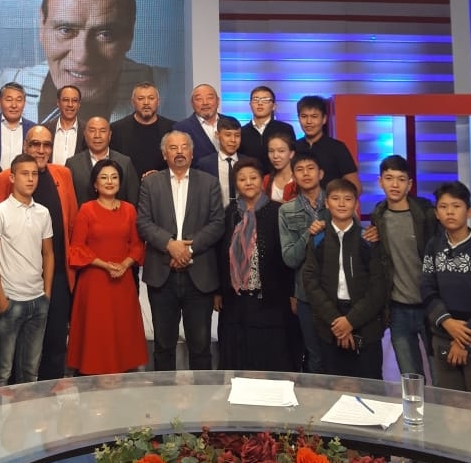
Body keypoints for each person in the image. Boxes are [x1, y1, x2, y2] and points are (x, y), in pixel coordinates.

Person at [0, 0, 169, 124]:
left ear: (129, 34)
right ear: (42, 26)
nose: (82, 56)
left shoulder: (170, 89)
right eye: (65, 30)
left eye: (105, 34)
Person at [0, 125, 78, 380]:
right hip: (14, 280)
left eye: (46, 145)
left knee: (54, 341)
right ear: (25, 146)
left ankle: (50, 394)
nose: (41, 150)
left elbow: (71, 222)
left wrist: (49, 290)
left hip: (56, 275)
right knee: (12, 353)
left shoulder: (63, 174)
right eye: (35, 144)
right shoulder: (4, 178)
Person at [136, 130, 224, 370]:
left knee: (201, 346)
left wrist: (188, 249)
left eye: (184, 147)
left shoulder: (209, 182)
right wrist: (170, 245)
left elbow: (217, 223)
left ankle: (201, 395)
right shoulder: (150, 183)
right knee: (163, 346)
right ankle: (164, 395)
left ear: (192, 153)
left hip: (199, 276)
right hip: (162, 276)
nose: (179, 152)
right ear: (164, 154)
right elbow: (143, 222)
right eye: (173, 148)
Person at [66, 158, 146, 375]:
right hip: (94, 281)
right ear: (95, 184)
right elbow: (77, 247)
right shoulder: (86, 210)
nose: (109, 182)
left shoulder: (129, 210)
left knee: (122, 328)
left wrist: (124, 265)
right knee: (97, 330)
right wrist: (105, 265)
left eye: (114, 177)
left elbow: (137, 245)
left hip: (123, 279)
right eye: (104, 177)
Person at [421, 181, 471, 396]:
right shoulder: (433, 246)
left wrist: (465, 341)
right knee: (450, 408)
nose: (449, 212)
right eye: (443, 207)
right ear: (437, 214)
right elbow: (427, 289)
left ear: (469, 212)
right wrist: (447, 322)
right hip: (443, 337)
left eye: (456, 206)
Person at [215, 156, 295, 372]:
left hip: (270, 300)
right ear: (236, 184)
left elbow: (287, 256)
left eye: (253, 178)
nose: (248, 182)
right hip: (235, 300)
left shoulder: (278, 211)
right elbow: (220, 253)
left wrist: (292, 292)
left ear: (262, 180)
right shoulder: (230, 212)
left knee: (269, 359)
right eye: (242, 179)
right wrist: (218, 291)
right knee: (237, 357)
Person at [302, 178, 386, 379]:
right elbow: (311, 283)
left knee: (369, 386)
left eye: (347, 199)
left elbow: (378, 287)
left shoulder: (368, 239)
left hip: (365, 323)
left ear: (356, 204)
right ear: (326, 203)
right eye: (335, 198)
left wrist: (350, 321)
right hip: (330, 322)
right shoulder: (318, 238)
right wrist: (337, 322)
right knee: (334, 385)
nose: (341, 204)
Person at [365, 154, 438, 378]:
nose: (395, 185)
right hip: (397, 310)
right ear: (380, 182)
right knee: (410, 378)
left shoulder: (426, 214)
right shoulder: (378, 216)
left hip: (431, 306)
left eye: (401, 179)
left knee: (441, 377)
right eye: (389, 178)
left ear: (410, 184)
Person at [0, 154, 54, 386]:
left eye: (34, 174)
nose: (31, 179)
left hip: (38, 300)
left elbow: (48, 253)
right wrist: (0, 298)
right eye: (25, 174)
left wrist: (47, 293)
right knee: (1, 372)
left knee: (30, 372)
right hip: (10, 300)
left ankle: (27, 411)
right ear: (12, 177)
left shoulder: (43, 212)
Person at [279, 153, 328, 372]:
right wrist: (309, 233)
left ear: (321, 173)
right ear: (293, 176)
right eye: (299, 169)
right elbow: (290, 258)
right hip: (306, 294)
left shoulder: (338, 202)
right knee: (314, 355)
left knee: (338, 354)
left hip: (338, 293)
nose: (306, 173)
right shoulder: (286, 210)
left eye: (311, 168)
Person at [65, 116, 139, 207]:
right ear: (85, 134)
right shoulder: (73, 164)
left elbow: (133, 199)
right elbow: (67, 202)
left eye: (103, 131)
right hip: (83, 215)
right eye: (92, 131)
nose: (97, 135)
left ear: (110, 135)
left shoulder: (125, 162)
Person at [293, 95, 361, 192]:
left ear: (324, 119)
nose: (309, 122)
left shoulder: (337, 148)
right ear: (298, 118)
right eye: (304, 116)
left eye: (314, 117)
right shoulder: (293, 147)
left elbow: (355, 187)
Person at [109, 83, 175, 178]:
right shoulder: (116, 129)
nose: (146, 103)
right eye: (141, 99)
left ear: (158, 101)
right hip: (127, 185)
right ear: (132, 102)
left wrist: (160, 177)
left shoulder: (172, 129)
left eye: (151, 98)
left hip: (163, 184)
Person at [0, 82, 36, 169]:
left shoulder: (33, 129)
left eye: (19, 100)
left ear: (24, 103)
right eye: (9, 100)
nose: (14, 105)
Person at [239, 86, 296, 166]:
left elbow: (293, 159)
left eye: (265, 100)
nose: (260, 103)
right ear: (250, 104)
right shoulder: (241, 132)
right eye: (255, 99)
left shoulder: (285, 129)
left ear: (274, 106)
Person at [196, 114, 243, 207]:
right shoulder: (205, 164)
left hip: (244, 214)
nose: (233, 140)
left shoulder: (248, 162)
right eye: (228, 135)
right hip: (216, 213)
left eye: (237, 135)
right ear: (217, 135)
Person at [173, 84, 220, 165]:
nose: (205, 103)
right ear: (192, 104)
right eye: (199, 99)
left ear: (218, 101)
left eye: (209, 98)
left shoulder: (231, 122)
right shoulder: (181, 128)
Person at [51, 85, 85, 165]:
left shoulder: (87, 131)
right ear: (58, 103)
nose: (70, 104)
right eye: (66, 100)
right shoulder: (46, 129)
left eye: (74, 100)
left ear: (79, 104)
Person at [263, 129, 297, 203]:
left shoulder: (300, 179)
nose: (275, 156)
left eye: (281, 151)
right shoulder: (266, 180)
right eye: (271, 151)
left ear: (291, 154)